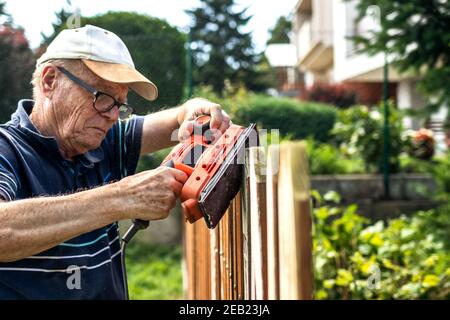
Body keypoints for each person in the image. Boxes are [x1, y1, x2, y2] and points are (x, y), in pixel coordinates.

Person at [0, 25, 231, 299]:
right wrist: (122, 197)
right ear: (50, 81)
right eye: (102, 96)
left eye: (120, 104)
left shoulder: (102, 139)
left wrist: (195, 109)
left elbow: (178, 119)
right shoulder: (7, 149)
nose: (111, 115)